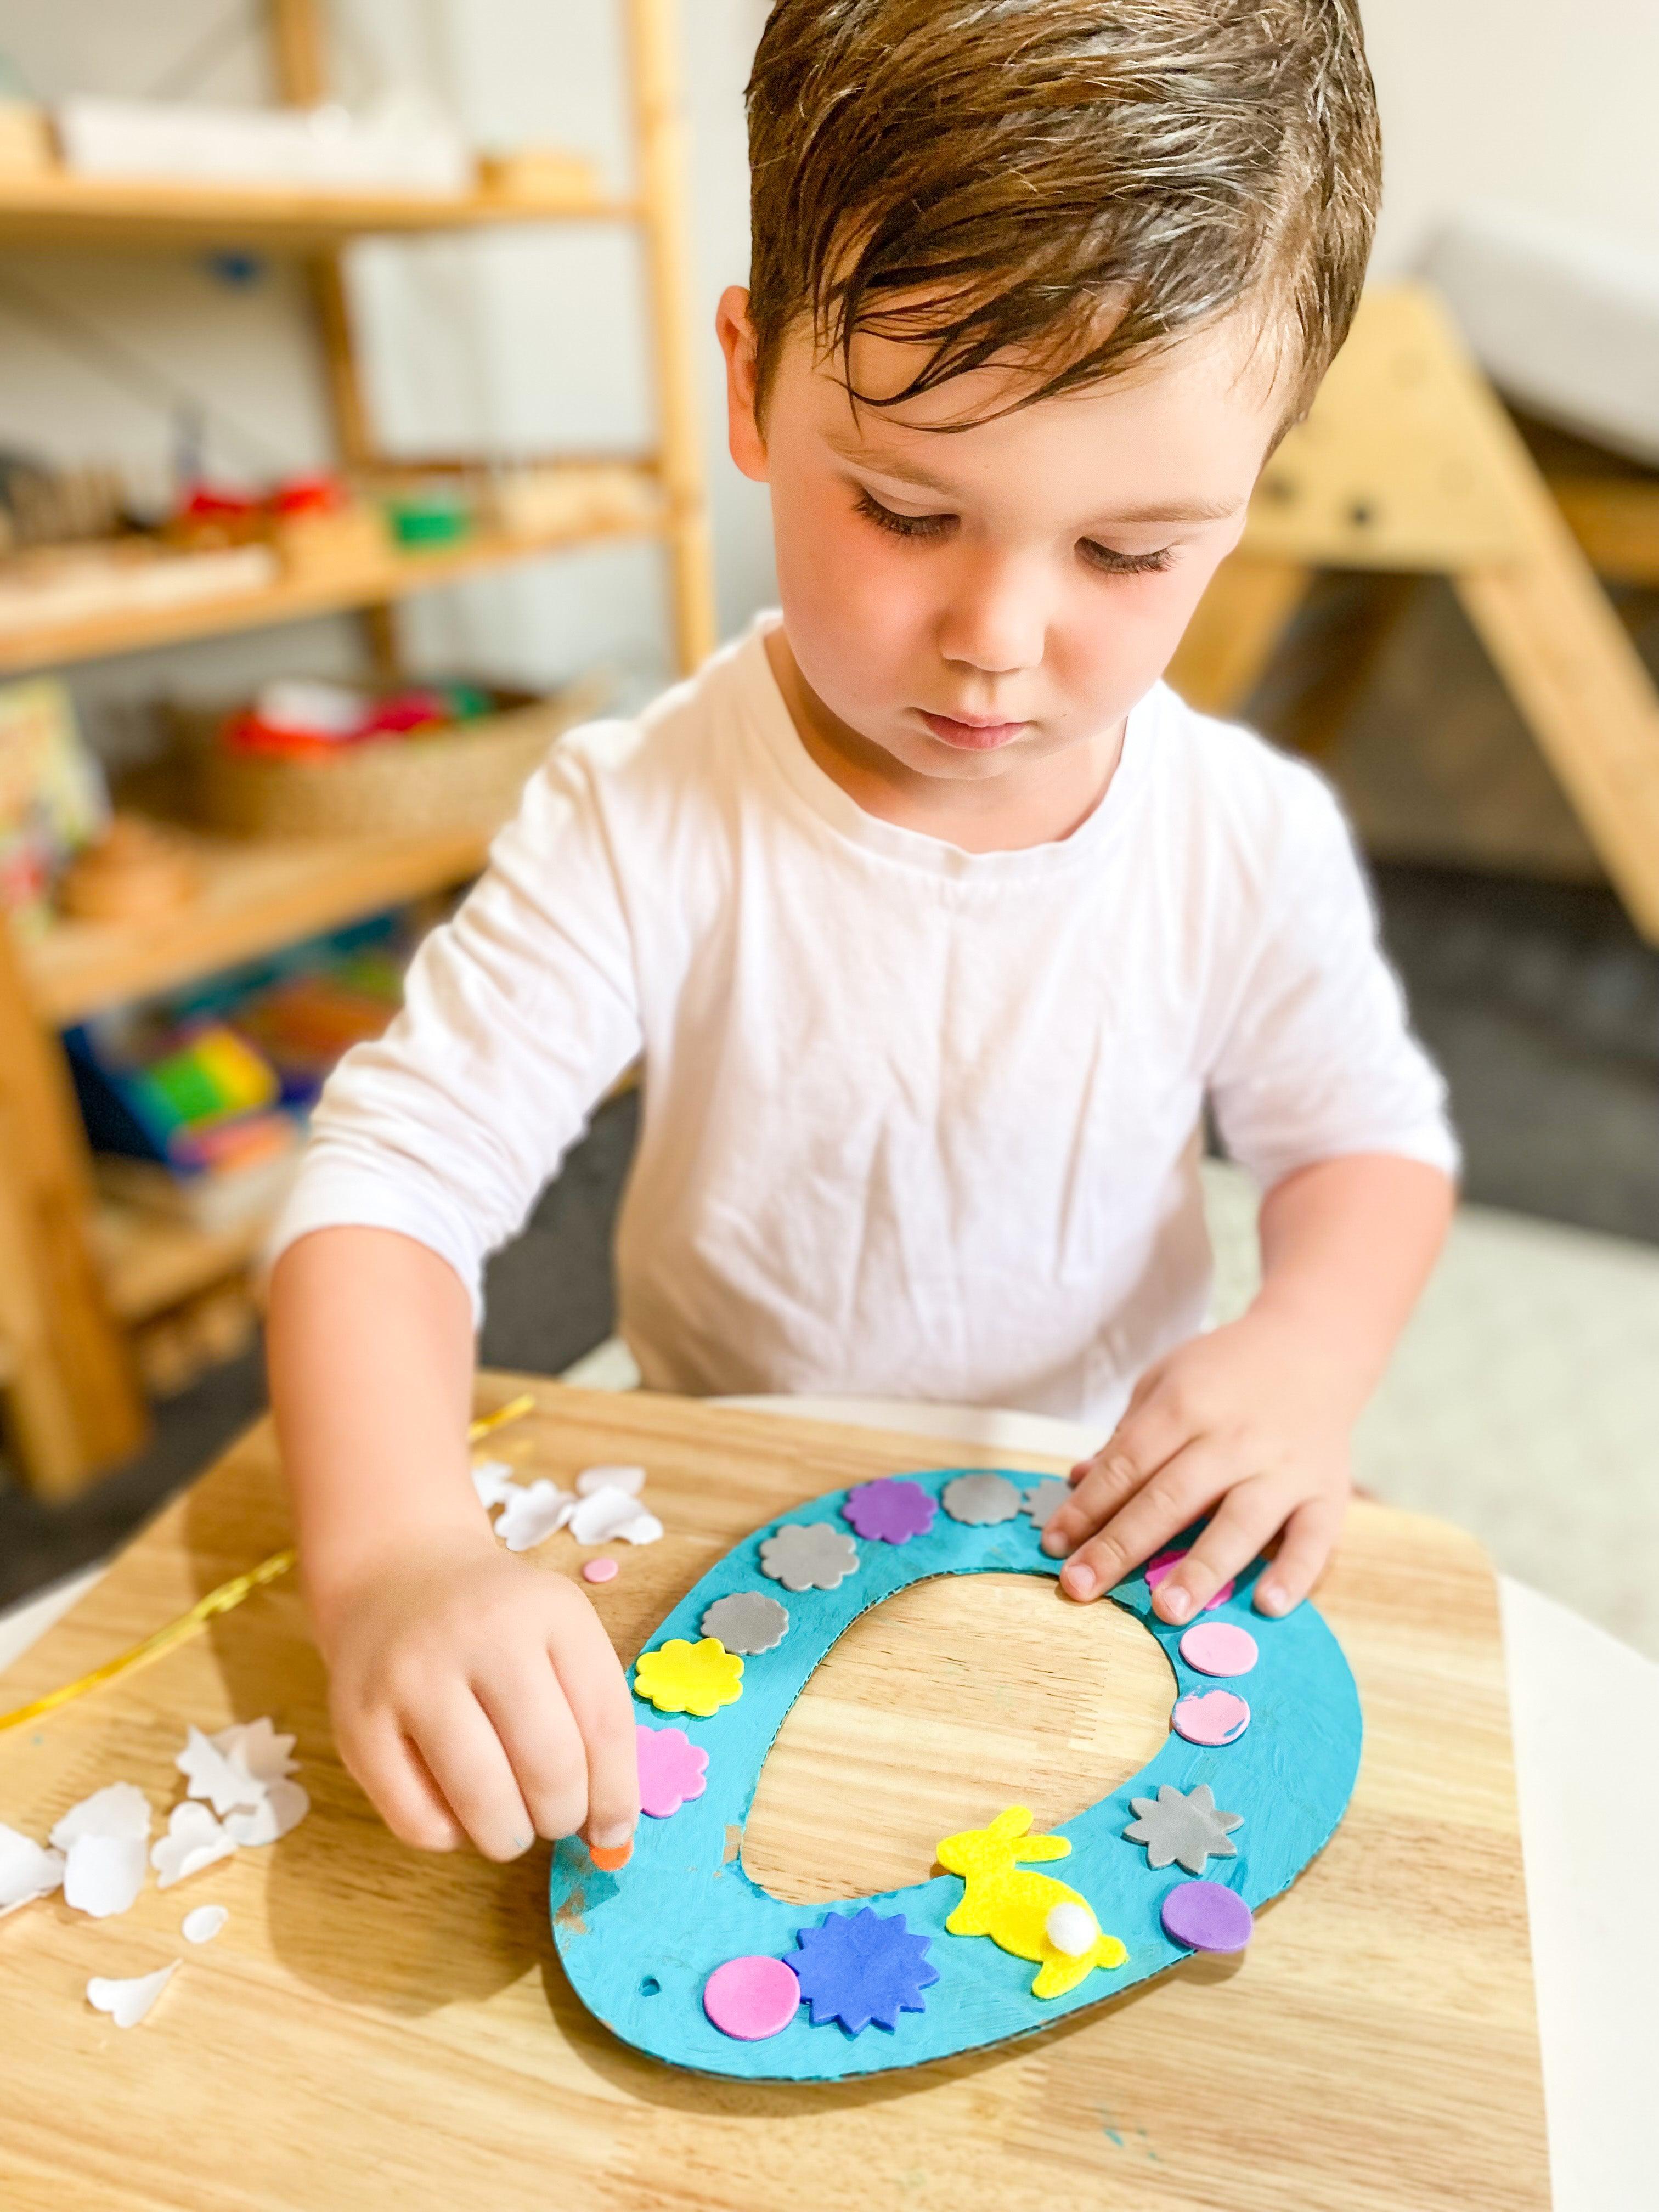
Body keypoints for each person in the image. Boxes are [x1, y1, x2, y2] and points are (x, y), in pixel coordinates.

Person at [267, 0, 1457, 1870]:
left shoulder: (1242, 835)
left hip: (1086, 1521)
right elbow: (388, 1188)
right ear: (752, 388)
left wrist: (1305, 1351)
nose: (998, 639)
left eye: (1130, 552)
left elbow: (1365, 1143)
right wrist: (400, 1556)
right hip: (725, 1505)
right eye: (907, 510)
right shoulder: (642, 812)